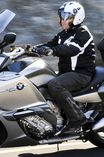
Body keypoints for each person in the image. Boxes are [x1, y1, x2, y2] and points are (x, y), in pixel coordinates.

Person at [34, 1, 96, 135]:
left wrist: (52, 51)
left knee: (55, 85)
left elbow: (71, 49)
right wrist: (33, 49)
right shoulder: (62, 34)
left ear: (76, 17)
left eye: (66, 16)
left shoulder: (83, 33)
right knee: (39, 82)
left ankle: (77, 118)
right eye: (61, 16)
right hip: (66, 73)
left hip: (81, 74)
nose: (62, 20)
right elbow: (50, 44)